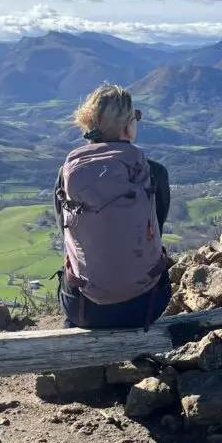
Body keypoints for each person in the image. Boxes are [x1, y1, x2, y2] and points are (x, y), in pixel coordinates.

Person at [53, 84, 172, 329]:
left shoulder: (67, 175)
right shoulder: (154, 173)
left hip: (83, 310)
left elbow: (65, 233)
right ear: (128, 126)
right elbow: (156, 227)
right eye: (135, 117)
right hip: (145, 306)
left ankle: (78, 354)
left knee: (72, 275)